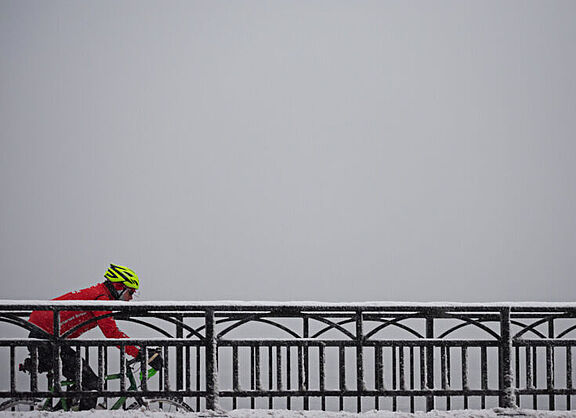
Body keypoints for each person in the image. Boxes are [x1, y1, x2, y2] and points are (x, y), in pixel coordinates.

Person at [24, 264, 161, 410]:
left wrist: (140, 350)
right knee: (92, 383)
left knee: (81, 379)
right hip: (45, 338)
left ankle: (64, 411)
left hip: (48, 337)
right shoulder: (100, 298)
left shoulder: (100, 295)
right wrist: (140, 353)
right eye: (130, 292)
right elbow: (112, 333)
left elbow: (111, 327)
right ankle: (80, 412)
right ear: (119, 287)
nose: (131, 298)